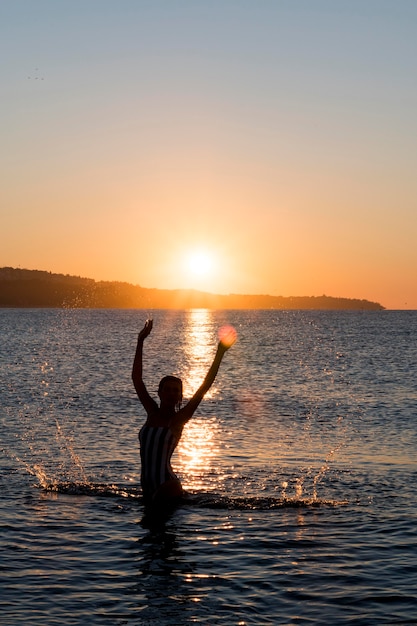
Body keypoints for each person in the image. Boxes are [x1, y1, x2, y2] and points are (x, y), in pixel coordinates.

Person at [132, 318, 236, 508]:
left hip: (167, 485)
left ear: (180, 396)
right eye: (168, 389)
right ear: (160, 393)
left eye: (176, 390)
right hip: (146, 487)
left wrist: (220, 353)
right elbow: (137, 380)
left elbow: (205, 386)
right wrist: (140, 341)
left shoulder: (178, 420)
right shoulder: (151, 412)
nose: (171, 393)